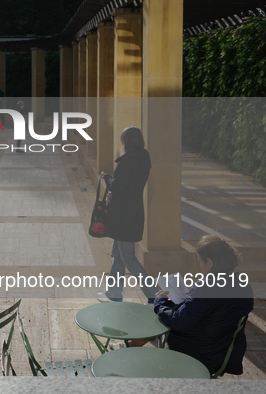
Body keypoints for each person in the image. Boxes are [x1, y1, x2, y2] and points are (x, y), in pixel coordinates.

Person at [154, 235, 254, 375]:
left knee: (160, 320)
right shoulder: (244, 286)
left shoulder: (205, 287)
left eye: (200, 261)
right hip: (224, 354)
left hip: (199, 354)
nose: (200, 264)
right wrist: (192, 298)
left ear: (209, 262)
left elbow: (178, 322)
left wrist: (160, 302)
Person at [97, 126, 157, 303]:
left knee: (128, 257)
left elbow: (117, 185)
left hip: (124, 217)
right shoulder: (142, 159)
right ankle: (113, 293)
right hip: (132, 213)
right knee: (118, 254)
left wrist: (106, 177)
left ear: (127, 141)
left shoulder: (128, 161)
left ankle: (153, 295)